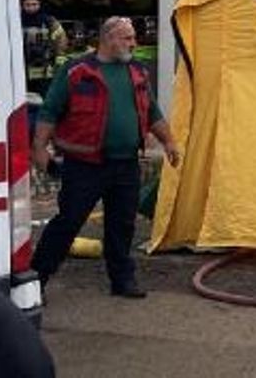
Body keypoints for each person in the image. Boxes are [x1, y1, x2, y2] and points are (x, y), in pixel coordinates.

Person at [31, 17, 181, 299]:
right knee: (68, 222)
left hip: (125, 164)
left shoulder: (137, 71)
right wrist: (39, 147)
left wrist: (169, 141)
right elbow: (49, 110)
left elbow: (152, 111)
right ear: (108, 38)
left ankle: (122, 281)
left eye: (133, 37)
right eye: (127, 38)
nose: (133, 43)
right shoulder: (76, 70)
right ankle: (36, 281)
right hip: (85, 166)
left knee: (122, 224)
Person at [20, 0, 68, 101]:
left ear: (40, 5)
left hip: (44, 70)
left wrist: (59, 60)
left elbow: (60, 39)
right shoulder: (15, 21)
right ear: (22, 6)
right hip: (22, 70)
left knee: (46, 99)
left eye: (34, 4)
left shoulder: (49, 21)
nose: (31, 8)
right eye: (27, 5)